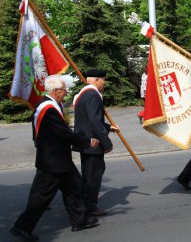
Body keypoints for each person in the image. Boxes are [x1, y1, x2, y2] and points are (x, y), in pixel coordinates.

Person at [10, 75, 100, 241]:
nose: (66, 93)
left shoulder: (47, 104)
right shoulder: (49, 108)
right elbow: (62, 133)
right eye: (64, 90)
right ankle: (22, 227)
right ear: (56, 91)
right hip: (53, 161)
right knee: (41, 197)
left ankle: (79, 221)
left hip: (59, 159)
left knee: (74, 188)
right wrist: (87, 141)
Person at [72, 69, 119, 217]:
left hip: (84, 140)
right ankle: (90, 206)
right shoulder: (93, 95)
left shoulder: (84, 94)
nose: (104, 83)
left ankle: (85, 201)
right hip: (93, 142)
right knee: (94, 175)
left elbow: (90, 119)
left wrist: (108, 127)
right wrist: (107, 143)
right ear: (97, 80)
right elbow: (94, 121)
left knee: (88, 173)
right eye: (103, 80)